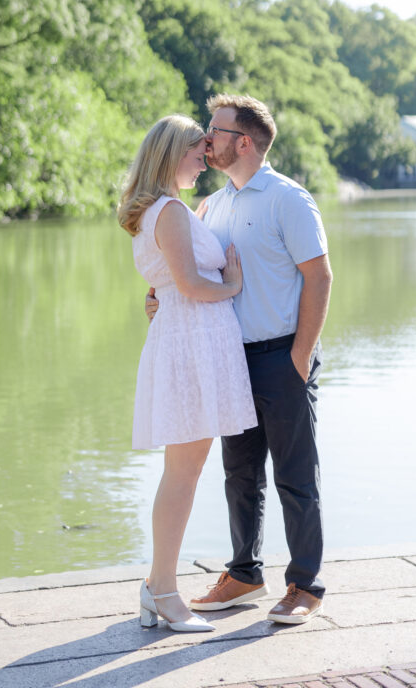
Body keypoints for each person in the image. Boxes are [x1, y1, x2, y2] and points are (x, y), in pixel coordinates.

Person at [147, 94, 332, 625]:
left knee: (295, 475)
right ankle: (245, 574)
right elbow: (191, 272)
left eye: (216, 130)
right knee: (240, 472)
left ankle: (305, 585)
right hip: (228, 358)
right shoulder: (214, 203)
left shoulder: (288, 200)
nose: (207, 138)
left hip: (282, 356)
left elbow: (320, 278)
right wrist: (158, 297)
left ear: (243, 141)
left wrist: (299, 357)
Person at [117, 114, 257, 633]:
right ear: (172, 152)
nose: (205, 158)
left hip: (187, 340)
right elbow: (192, 286)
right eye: (198, 150)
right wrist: (234, 284)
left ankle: (158, 588)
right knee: (183, 472)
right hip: (190, 343)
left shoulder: (167, 210)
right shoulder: (169, 211)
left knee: (185, 470)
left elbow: (170, 283)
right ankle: (164, 591)